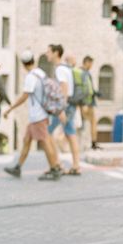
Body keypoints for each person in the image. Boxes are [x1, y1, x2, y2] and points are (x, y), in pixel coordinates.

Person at [3, 51, 61, 180]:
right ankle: (18, 167)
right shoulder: (40, 72)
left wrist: (9, 109)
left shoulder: (31, 77)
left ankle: (54, 169)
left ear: (23, 64)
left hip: (37, 116)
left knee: (45, 143)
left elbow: (24, 96)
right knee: (27, 141)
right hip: (41, 114)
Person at [46, 44, 82, 175]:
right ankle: (76, 165)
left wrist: (60, 109)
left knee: (47, 131)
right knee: (70, 134)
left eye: (49, 52)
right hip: (70, 105)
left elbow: (64, 89)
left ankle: (56, 163)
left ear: (56, 53)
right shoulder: (65, 68)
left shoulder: (60, 69)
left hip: (63, 106)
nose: (47, 54)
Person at [77, 55, 101, 150]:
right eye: (91, 63)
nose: (91, 66)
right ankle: (89, 143)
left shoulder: (84, 73)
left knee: (89, 122)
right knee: (85, 123)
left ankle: (92, 142)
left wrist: (95, 93)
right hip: (86, 102)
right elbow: (85, 89)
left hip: (87, 102)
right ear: (87, 62)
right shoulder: (83, 73)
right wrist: (85, 102)